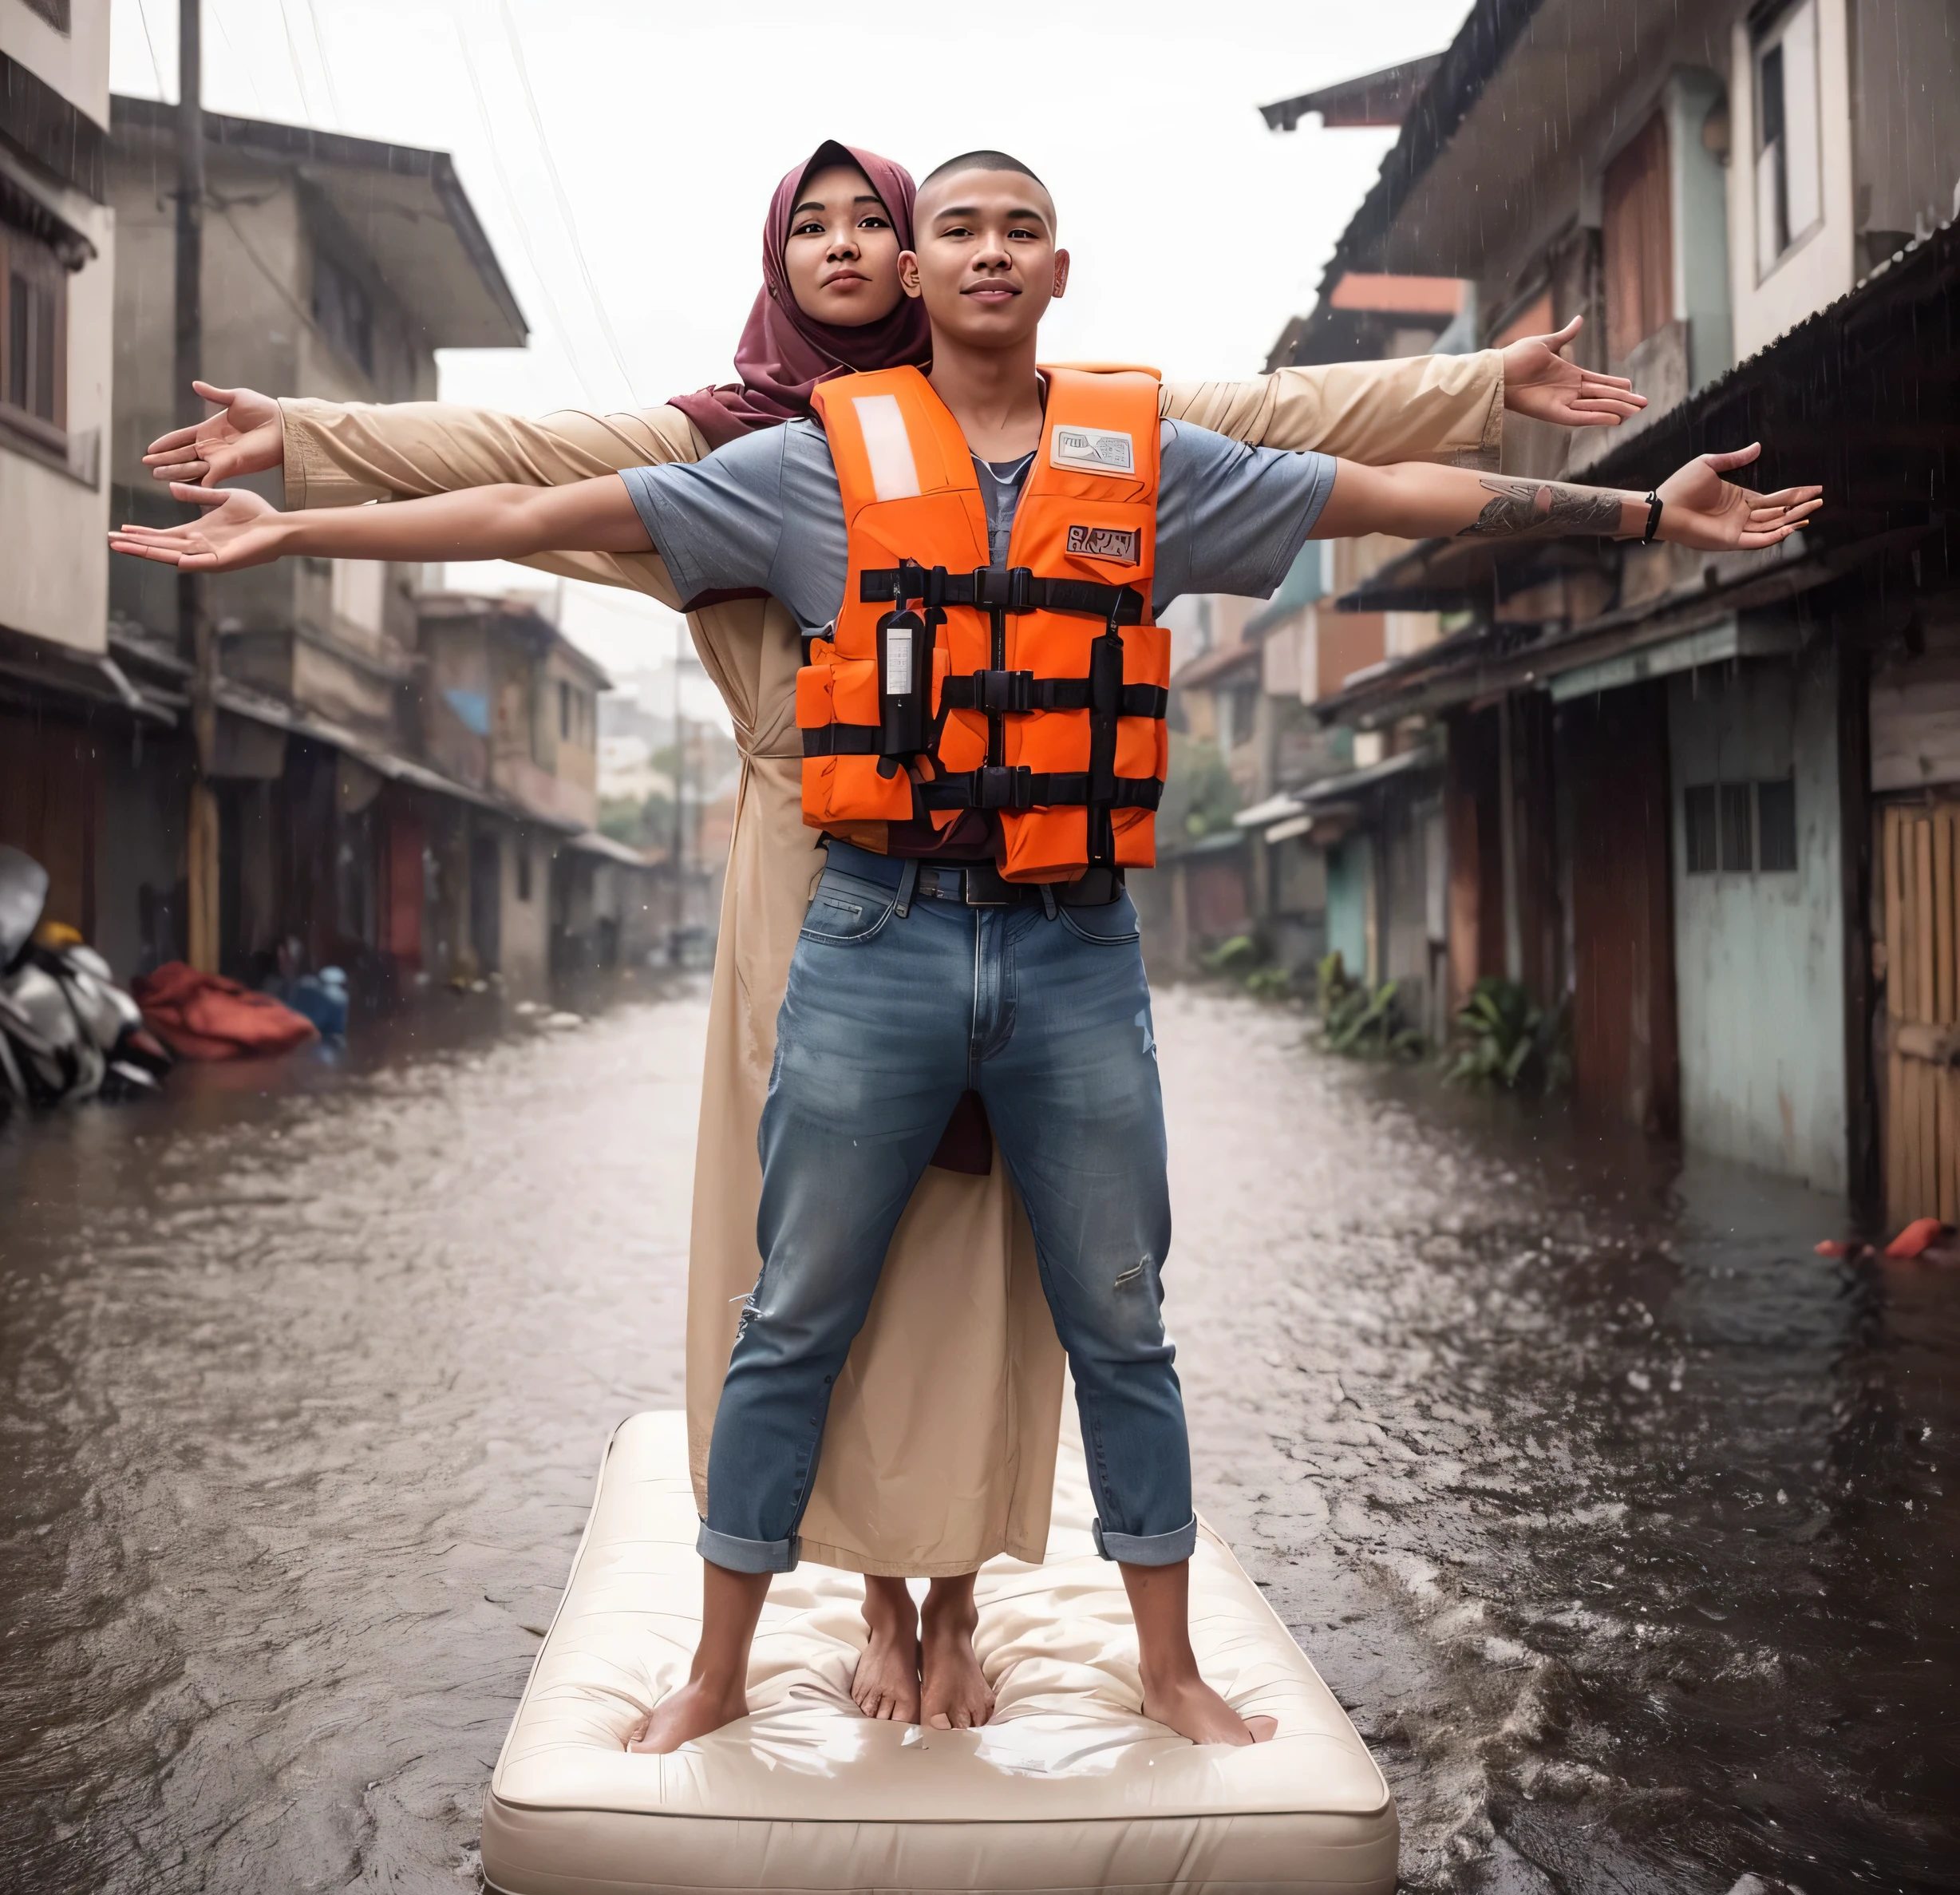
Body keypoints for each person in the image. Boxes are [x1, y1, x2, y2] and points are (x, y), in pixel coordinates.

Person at [136, 143, 1653, 1732]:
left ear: (1033, 265)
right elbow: (519, 474)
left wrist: (1601, 485)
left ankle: (1024, 1627)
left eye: (904, 217)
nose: (869, 247)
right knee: (800, 1288)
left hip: (1064, 921)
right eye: (833, 224)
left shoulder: (1115, 438)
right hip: (841, 892)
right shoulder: (769, 454)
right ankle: (775, 1643)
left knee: (1074, 1294)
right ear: (844, 266)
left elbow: (1319, 443)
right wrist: (299, 480)